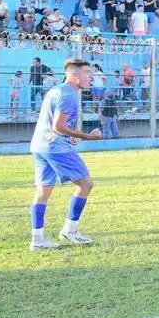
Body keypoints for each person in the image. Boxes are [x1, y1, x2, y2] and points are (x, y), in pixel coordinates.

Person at [28, 59, 102, 250]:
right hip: (56, 147)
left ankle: (37, 239)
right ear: (75, 74)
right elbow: (58, 126)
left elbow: (54, 122)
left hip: (40, 145)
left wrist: (71, 135)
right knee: (85, 184)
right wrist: (86, 136)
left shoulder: (56, 90)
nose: (91, 76)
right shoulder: (69, 94)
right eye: (87, 72)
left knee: (42, 192)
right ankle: (70, 230)